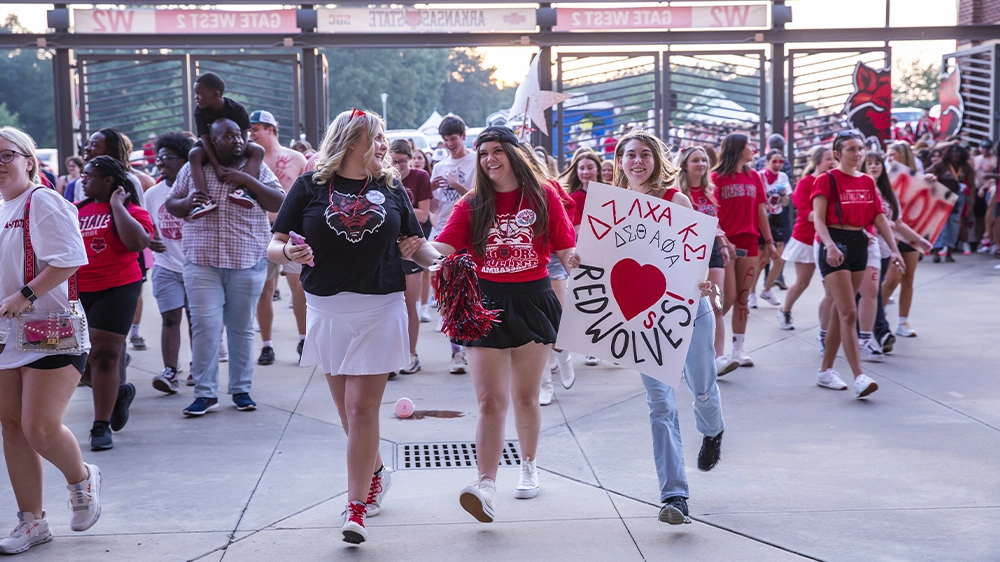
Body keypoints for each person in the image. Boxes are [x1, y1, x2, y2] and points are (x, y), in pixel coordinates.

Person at [400, 126, 577, 524]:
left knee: (526, 397)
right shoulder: (472, 203)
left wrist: (585, 267)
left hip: (534, 300)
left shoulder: (545, 196)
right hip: (482, 305)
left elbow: (567, 251)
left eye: (497, 151)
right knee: (488, 402)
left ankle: (529, 466)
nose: (490, 159)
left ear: (515, 154)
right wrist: (414, 248)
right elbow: (441, 252)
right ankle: (485, 484)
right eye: (483, 153)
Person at [268, 108, 418, 544]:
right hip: (327, 309)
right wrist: (287, 256)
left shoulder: (391, 187)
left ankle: (356, 509)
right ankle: (375, 473)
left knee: (359, 409)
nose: (386, 145)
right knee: (345, 412)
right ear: (354, 140)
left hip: (380, 306)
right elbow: (274, 245)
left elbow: (416, 245)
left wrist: (445, 263)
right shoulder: (309, 186)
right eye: (379, 136)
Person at [613, 130, 726, 525]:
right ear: (620, 162)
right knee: (660, 404)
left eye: (645, 154)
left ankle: (713, 432)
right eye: (630, 155)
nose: (638, 161)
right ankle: (675, 495)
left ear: (657, 161)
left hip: (688, 310)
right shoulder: (611, 208)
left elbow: (697, 251)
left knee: (703, 389)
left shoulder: (675, 200)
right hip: (645, 319)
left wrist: (704, 279)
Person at [0, 127, 101, 554]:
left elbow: (72, 258)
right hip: (7, 334)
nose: (0, 165)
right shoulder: (2, 209)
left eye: (6, 155)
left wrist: (23, 296)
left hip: (50, 330)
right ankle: (31, 522)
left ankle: (81, 479)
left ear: (29, 161)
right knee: (11, 427)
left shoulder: (42, 201)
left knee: (38, 427)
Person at [165, 117, 285, 417]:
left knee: (241, 328)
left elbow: (279, 201)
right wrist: (190, 200)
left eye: (240, 135)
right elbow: (172, 204)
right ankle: (205, 394)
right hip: (202, 263)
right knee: (205, 327)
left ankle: (241, 390)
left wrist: (248, 182)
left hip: (246, 261)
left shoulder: (255, 167)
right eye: (228, 136)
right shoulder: (194, 169)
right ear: (213, 141)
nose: (237, 141)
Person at [812, 132, 904, 398]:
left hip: (859, 244)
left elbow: (878, 217)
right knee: (849, 312)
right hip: (834, 243)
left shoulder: (866, 181)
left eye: (860, 149)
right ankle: (859, 375)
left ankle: (825, 371)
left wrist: (895, 249)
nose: (858, 153)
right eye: (851, 149)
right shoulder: (826, 180)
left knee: (840, 313)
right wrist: (828, 244)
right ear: (838, 154)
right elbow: (818, 219)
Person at [75, 156, 153, 450]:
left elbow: (137, 244)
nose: (83, 180)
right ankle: (117, 394)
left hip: (118, 288)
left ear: (108, 181)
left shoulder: (133, 211)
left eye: (90, 175)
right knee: (77, 363)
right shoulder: (76, 210)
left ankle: (101, 426)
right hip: (80, 290)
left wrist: (117, 206)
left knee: (105, 356)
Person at [248, 110, 308, 365]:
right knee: (265, 289)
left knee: (298, 285)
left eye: (255, 129)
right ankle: (267, 344)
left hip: (294, 229)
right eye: (250, 130)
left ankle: (304, 339)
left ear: (270, 129)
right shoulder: (251, 162)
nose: (251, 134)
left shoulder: (296, 158)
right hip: (263, 228)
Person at [711, 133, 775, 369]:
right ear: (737, 149)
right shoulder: (716, 177)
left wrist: (769, 241)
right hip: (726, 245)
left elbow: (761, 212)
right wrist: (723, 240)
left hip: (749, 243)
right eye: (749, 145)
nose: (753, 149)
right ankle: (711, 346)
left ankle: (738, 349)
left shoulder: (754, 176)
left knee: (743, 297)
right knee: (724, 299)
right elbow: (712, 213)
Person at [675, 146, 737, 376]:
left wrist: (722, 240)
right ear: (684, 165)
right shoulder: (677, 194)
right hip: (687, 253)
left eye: (703, 160)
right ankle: (682, 358)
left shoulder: (710, 190)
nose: (701, 164)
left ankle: (718, 357)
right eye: (695, 160)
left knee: (717, 304)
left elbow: (715, 223)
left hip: (712, 251)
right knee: (687, 307)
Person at [144, 132, 194, 393]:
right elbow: (147, 224)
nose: (161, 162)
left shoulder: (196, 187)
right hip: (166, 266)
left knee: (196, 320)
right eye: (159, 157)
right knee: (170, 318)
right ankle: (170, 371)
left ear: (184, 160)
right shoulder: (153, 193)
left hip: (196, 265)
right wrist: (148, 239)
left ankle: (198, 366)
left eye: (167, 158)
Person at [429, 115, 476, 374]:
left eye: (454, 140)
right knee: (449, 292)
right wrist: (429, 187)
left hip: (469, 232)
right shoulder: (439, 166)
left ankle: (472, 346)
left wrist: (458, 186)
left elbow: (478, 198)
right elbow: (435, 205)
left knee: (470, 291)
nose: (449, 145)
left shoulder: (475, 162)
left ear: (463, 136)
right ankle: (456, 351)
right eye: (446, 141)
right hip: (443, 232)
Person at [185, 73, 265, 219]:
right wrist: (216, 166)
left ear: (215, 94)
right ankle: (204, 200)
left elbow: (244, 137)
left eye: (200, 94)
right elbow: (205, 139)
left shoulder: (236, 109)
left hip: (238, 143)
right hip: (212, 144)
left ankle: (242, 190)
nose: (196, 97)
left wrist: (237, 159)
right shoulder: (199, 112)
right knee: (194, 155)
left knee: (258, 150)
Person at [778, 145, 835, 333]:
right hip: (806, 239)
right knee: (803, 282)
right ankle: (785, 310)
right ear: (818, 161)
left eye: (834, 158)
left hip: (830, 240)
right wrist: (824, 219)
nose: (832, 162)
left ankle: (827, 329)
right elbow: (804, 211)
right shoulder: (805, 183)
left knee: (831, 289)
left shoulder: (835, 181)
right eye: (828, 158)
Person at [558, 148, 603, 368]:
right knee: (590, 300)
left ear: (598, 169)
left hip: (610, 254)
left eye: (589, 167)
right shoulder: (573, 198)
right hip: (584, 254)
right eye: (582, 168)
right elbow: (574, 229)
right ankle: (590, 348)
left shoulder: (610, 192)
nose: (586, 172)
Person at [391, 139, 432, 374]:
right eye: (394, 162)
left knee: (409, 302)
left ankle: (411, 352)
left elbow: (423, 215)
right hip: (388, 246)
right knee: (389, 303)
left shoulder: (419, 177)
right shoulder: (384, 177)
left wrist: (396, 211)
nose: (398, 167)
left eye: (402, 162)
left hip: (413, 244)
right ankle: (392, 353)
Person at [756, 150, 792, 306]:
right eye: (774, 161)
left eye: (781, 162)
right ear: (767, 162)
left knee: (779, 257)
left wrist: (784, 195)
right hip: (761, 219)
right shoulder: (759, 176)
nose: (777, 165)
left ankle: (767, 289)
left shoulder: (783, 177)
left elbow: (784, 204)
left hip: (776, 218)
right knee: (760, 259)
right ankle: (751, 293)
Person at [929, 144, 975, 263]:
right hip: (942, 196)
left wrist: (971, 203)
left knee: (954, 225)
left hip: (958, 197)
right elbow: (927, 172)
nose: (955, 154)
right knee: (940, 225)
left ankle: (949, 253)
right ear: (948, 154)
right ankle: (936, 253)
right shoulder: (941, 165)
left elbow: (971, 186)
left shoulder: (965, 167)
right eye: (953, 152)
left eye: (958, 152)